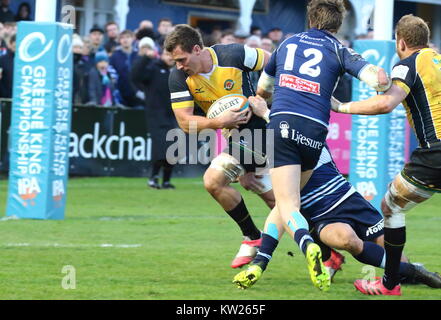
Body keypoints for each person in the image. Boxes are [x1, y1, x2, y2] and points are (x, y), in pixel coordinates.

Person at [233, 99, 441, 291]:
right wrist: (261, 262)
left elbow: (286, 131)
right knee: (348, 241)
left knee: (394, 255)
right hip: (322, 217)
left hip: (349, 200)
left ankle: (407, 273)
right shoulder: (275, 164)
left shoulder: (302, 135)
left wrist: (266, 113)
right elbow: (281, 210)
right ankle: (415, 272)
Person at [254, 0, 390, 291]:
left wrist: (276, 101)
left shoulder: (285, 45)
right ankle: (310, 255)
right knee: (291, 200)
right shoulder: (339, 48)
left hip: (280, 124)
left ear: (310, 19)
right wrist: (383, 83)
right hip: (314, 130)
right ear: (337, 24)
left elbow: (263, 91)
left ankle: (304, 248)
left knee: (287, 201)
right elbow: (378, 80)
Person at [331, 14, 441, 296]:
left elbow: (385, 104)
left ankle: (390, 283)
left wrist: (342, 107)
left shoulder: (407, 65)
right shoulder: (438, 59)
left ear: (401, 42)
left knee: (391, 207)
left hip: (435, 153)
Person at [164, 24, 275, 268]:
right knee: (279, 202)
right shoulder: (179, 77)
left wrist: (264, 95)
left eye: (182, 59)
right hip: (236, 138)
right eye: (175, 61)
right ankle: (329, 250)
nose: (180, 65)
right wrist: (219, 122)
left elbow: (274, 62)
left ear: (197, 49)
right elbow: (185, 123)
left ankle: (253, 238)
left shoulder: (232, 54)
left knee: (213, 180)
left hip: (262, 131)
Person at [131, 38, 178, 189]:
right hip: (155, 116)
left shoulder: (178, 72)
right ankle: (153, 177)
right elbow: (135, 76)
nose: (169, 57)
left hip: (173, 115)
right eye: (167, 54)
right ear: (161, 55)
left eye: (172, 55)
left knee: (173, 149)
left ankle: (166, 180)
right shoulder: (153, 69)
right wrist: (145, 58)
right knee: (160, 148)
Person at [109, 29, 142, 108]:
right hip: (121, 93)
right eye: (122, 38)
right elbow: (112, 75)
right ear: (119, 40)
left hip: (137, 94)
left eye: (128, 37)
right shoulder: (115, 56)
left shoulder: (138, 55)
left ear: (132, 39)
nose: (125, 40)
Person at [0, 33, 14, 98]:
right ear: (10, 44)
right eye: (14, 46)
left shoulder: (27, 61)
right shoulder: (3, 60)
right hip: (5, 97)